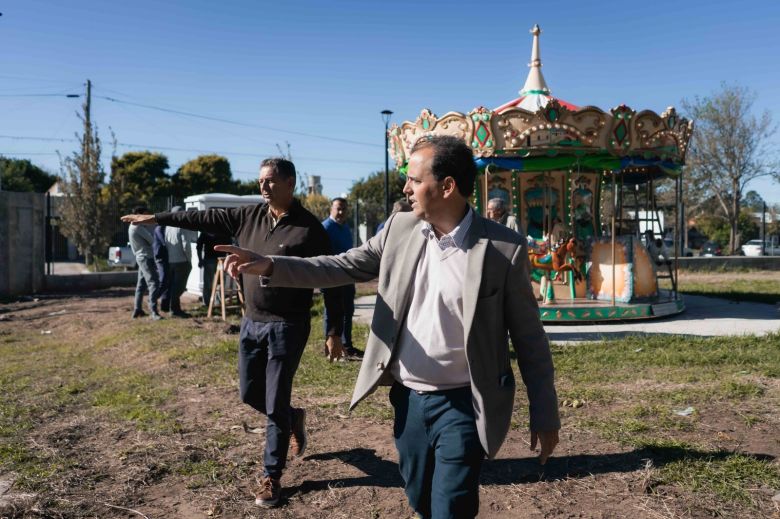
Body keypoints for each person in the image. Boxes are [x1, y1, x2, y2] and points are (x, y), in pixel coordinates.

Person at [216, 137, 561, 519]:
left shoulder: (502, 248)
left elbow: (529, 337)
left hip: (465, 404)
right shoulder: (401, 228)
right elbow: (339, 266)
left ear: (446, 186)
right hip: (408, 399)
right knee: (419, 498)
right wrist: (270, 265)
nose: (405, 188)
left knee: (453, 506)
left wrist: (544, 414)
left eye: (414, 180)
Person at [121, 157, 344, 509]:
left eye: (270, 180)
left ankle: (272, 475)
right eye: (260, 181)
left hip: (288, 324)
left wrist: (333, 331)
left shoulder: (310, 229)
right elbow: (200, 218)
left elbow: (334, 280)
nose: (263, 186)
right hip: (252, 321)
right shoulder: (249, 216)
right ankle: (293, 416)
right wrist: (156, 218)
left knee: (273, 402)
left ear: (290, 183)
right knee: (249, 392)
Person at [321, 197, 362, 359]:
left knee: (347, 311)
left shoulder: (345, 229)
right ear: (331, 209)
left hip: (347, 277)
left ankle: (347, 346)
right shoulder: (325, 228)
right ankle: (330, 347)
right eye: (338, 208)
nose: (341, 212)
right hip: (331, 277)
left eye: (344, 209)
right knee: (332, 312)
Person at [128, 205, 163, 320]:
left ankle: (137, 310)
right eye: (145, 214)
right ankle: (153, 311)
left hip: (140, 257)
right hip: (146, 258)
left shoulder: (131, 226)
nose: (147, 217)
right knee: (154, 283)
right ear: (139, 214)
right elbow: (152, 240)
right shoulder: (138, 226)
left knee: (141, 285)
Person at [164, 206, 197, 318]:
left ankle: (173, 308)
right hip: (182, 260)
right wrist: (189, 259)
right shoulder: (182, 226)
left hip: (171, 260)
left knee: (174, 286)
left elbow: (166, 243)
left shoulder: (168, 227)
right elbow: (186, 245)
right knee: (179, 287)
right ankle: (175, 310)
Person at [196, 230, 233, 306]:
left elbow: (230, 247)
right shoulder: (207, 231)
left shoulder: (223, 231)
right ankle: (208, 302)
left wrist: (231, 261)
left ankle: (217, 302)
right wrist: (200, 260)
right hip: (211, 259)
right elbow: (199, 246)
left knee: (219, 282)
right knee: (211, 282)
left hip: (221, 260)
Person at [153, 223, 171, 312]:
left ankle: (165, 306)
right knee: (163, 280)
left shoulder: (164, 228)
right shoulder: (159, 228)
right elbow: (164, 242)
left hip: (165, 257)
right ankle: (153, 299)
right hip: (160, 257)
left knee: (167, 281)